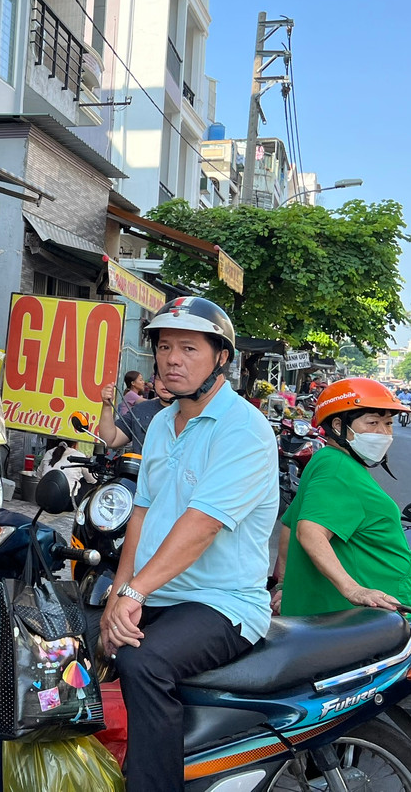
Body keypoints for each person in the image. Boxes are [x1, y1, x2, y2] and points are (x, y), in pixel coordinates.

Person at [99, 297, 277, 792]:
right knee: (73, 643)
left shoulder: (244, 429)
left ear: (221, 357)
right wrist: (119, 590)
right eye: (164, 347)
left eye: (188, 348)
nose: (172, 359)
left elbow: (201, 525)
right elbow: (142, 511)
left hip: (221, 603)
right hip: (162, 593)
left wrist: (134, 595)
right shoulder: (160, 421)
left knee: (143, 661)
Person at [273, 379, 411, 616]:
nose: (383, 433)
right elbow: (309, 531)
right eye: (372, 423)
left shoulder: (326, 459)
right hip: (357, 618)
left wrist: (283, 585)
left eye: (388, 424)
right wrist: (354, 590)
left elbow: (289, 526)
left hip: (341, 616)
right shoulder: (337, 468)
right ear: (338, 425)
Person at [99, 374, 175, 452]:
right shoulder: (141, 409)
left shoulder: (186, 412)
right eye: (160, 377)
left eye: (171, 378)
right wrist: (107, 406)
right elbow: (110, 440)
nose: (165, 383)